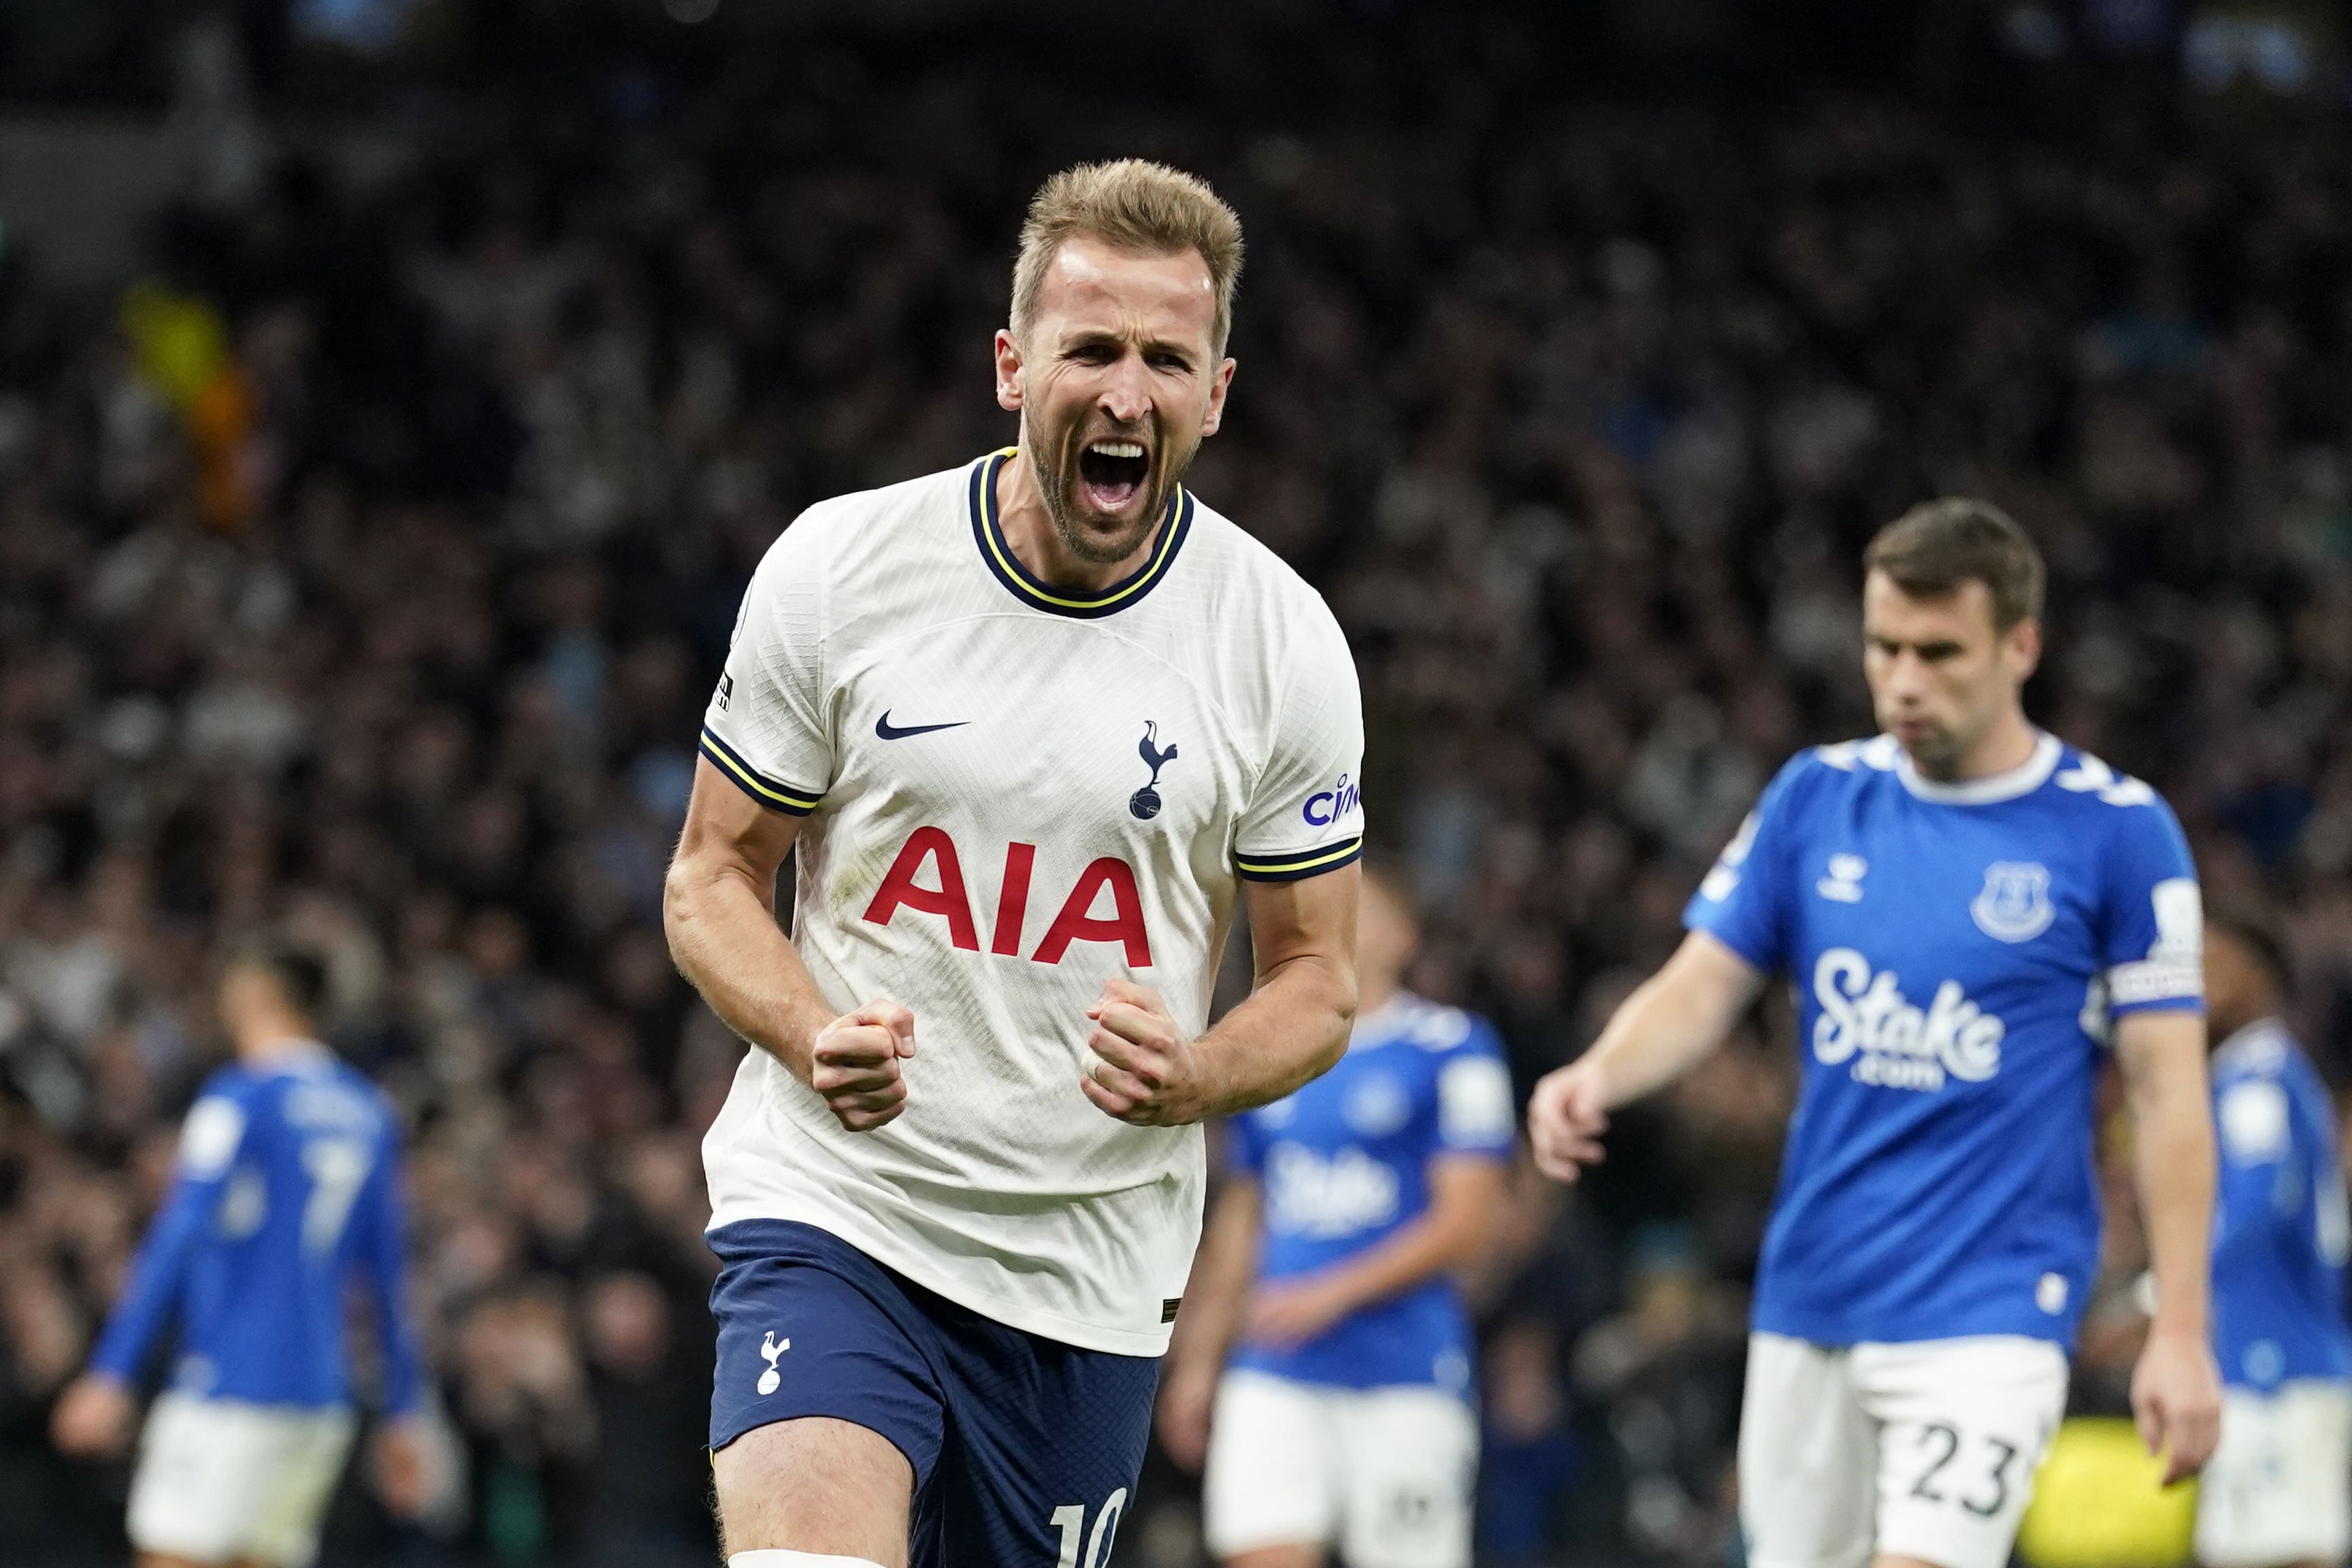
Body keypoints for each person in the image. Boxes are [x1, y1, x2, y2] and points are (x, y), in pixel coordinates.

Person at [663, 158, 1366, 1568]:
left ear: (1217, 392)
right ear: (1010, 365)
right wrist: (809, 1033)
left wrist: (1198, 1074)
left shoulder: (1281, 644)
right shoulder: (843, 569)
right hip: (840, 1205)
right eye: (1090, 349)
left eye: (1167, 358)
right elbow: (710, 879)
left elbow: (1319, 981)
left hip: (1084, 1268)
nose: (1126, 393)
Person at [1527, 498, 2223, 1568]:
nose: (1903, 679)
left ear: (2020, 646)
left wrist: (2180, 1329)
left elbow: (2172, 1093)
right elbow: (1704, 984)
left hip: (1992, 1307)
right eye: (1884, 647)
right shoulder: (1817, 798)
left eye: (1940, 652)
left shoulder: (2117, 833)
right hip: (1814, 1290)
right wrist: (1599, 1074)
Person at [1156, 866, 1513, 1568]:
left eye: (1365, 909)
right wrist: (1200, 1358)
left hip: (1404, 1372)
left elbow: (1472, 1220)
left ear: (1404, 936)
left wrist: (1328, 1296)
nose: (1343, 919)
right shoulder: (1274, 1053)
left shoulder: (1452, 1048)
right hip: (1274, 1369)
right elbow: (1242, 1220)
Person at [50, 940, 427, 1568]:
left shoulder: (240, 1098)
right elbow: (385, 1275)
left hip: (230, 1388)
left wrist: (110, 1370)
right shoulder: (367, 1113)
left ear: (258, 994)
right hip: (318, 1402)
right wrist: (401, 1410)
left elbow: (179, 1231)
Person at [2193, 906, 2351, 1568]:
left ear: (2256, 977)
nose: (2196, 984)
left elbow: (2256, 1206)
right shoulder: (2265, 1072)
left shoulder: (2256, 1077)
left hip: (2274, 1360)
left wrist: (2166, 1292)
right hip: (2280, 1355)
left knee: (2287, 1551)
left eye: (2212, 965)